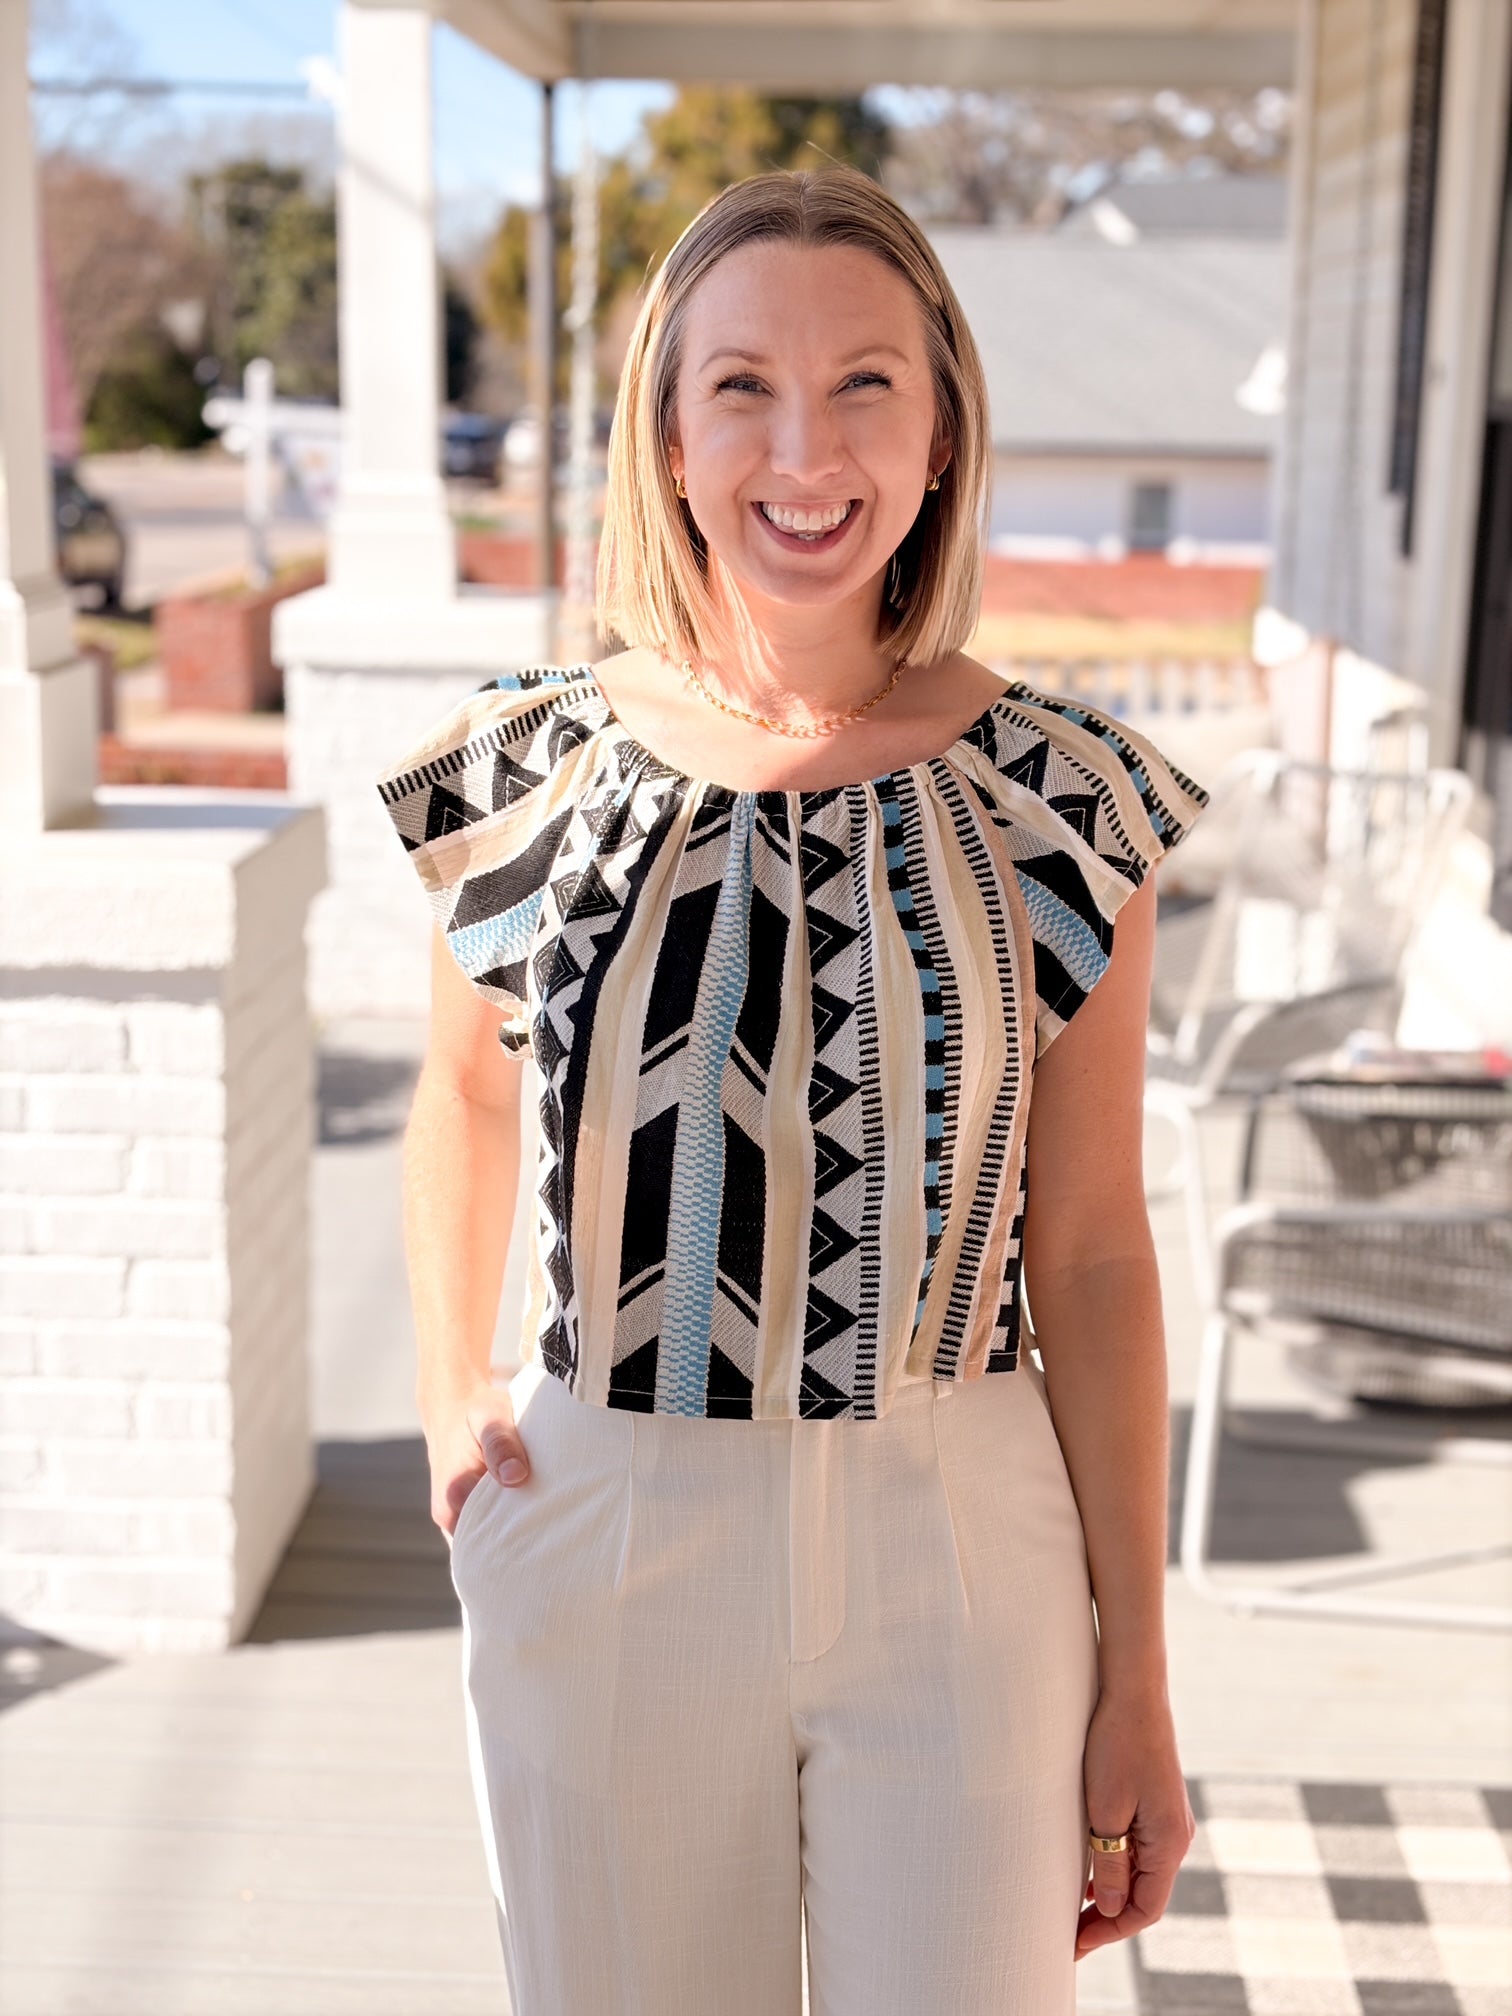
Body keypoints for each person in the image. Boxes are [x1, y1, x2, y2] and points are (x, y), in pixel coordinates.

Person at [375, 164, 1209, 2016]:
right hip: (608, 1524)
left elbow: (1090, 1253)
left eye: (865, 387)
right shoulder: (524, 773)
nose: (801, 448)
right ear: (668, 433)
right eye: (740, 383)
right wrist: (448, 1396)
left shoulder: (1069, 807)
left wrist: (1136, 1670)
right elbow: (458, 1096)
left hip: (963, 1540)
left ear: (938, 441)